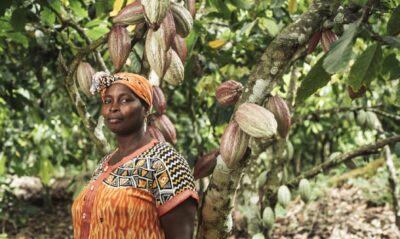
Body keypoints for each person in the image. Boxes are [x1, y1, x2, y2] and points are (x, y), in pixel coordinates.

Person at [71, 72, 198, 239]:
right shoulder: (105, 163)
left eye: (125, 100)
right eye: (107, 101)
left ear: (145, 108)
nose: (113, 107)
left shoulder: (165, 161)